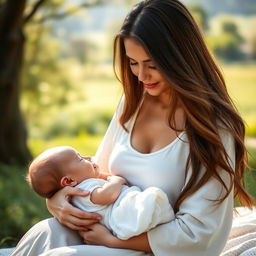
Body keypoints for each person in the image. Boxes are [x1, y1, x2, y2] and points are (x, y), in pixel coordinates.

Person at [11, 0, 254, 255]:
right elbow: (97, 174)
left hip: (157, 248)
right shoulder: (132, 104)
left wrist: (113, 242)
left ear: (181, 58)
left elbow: (199, 235)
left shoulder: (213, 126)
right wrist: (57, 200)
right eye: (132, 62)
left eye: (151, 64)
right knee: (46, 231)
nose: (141, 76)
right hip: (109, 228)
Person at [27, 146, 173, 240]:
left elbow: (102, 179)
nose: (88, 158)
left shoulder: (77, 192)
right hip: (122, 214)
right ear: (69, 181)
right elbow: (105, 196)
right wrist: (117, 181)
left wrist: (100, 174)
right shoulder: (83, 191)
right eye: (80, 158)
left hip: (118, 220)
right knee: (148, 204)